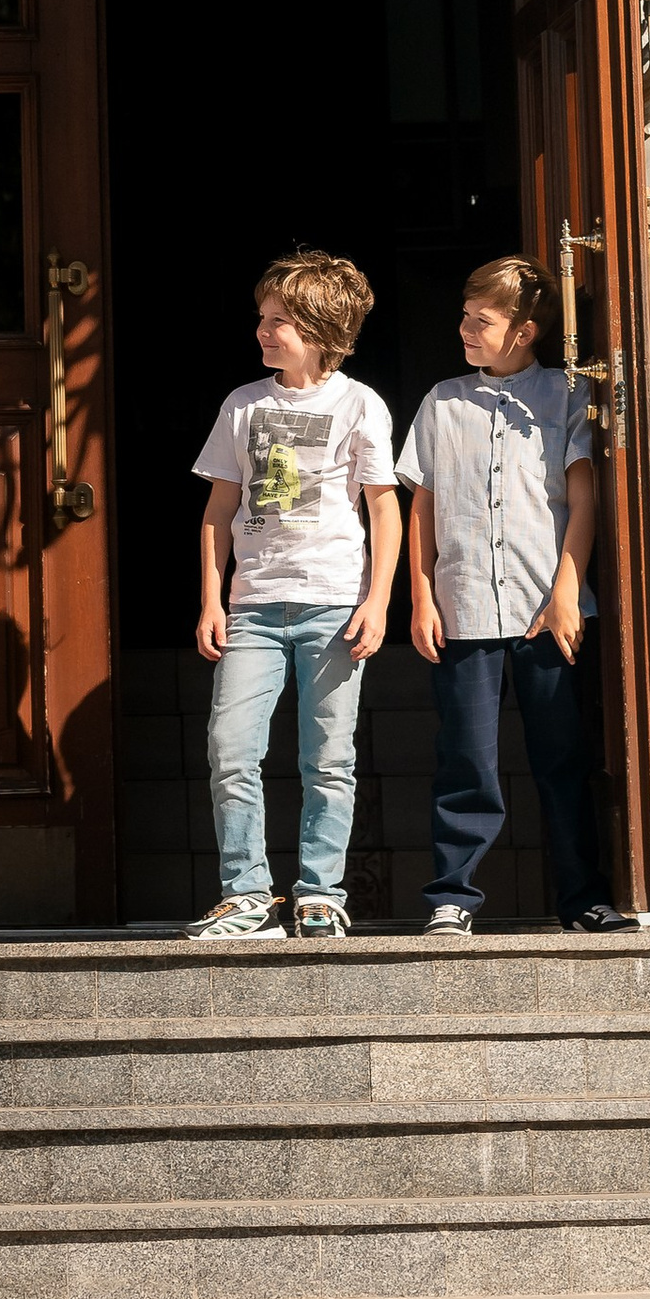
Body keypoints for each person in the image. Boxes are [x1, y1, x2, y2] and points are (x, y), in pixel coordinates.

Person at [397, 253, 632, 936]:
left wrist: (567, 592)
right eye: (465, 317)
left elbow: (582, 498)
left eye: (482, 321)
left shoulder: (567, 394)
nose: (465, 329)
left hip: (545, 612)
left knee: (563, 759)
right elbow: (423, 505)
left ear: (524, 331)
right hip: (464, 607)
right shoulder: (443, 401)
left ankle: (583, 897)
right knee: (466, 758)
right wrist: (420, 595)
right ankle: (451, 896)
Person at [185, 252, 401, 945]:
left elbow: (385, 510)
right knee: (230, 746)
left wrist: (377, 600)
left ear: (320, 331)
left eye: (279, 321)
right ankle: (247, 894)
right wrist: (212, 599)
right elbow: (219, 509)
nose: (263, 330)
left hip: (334, 603)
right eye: (262, 318)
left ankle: (319, 895)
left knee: (328, 757)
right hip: (253, 605)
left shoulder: (359, 404)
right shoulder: (244, 405)